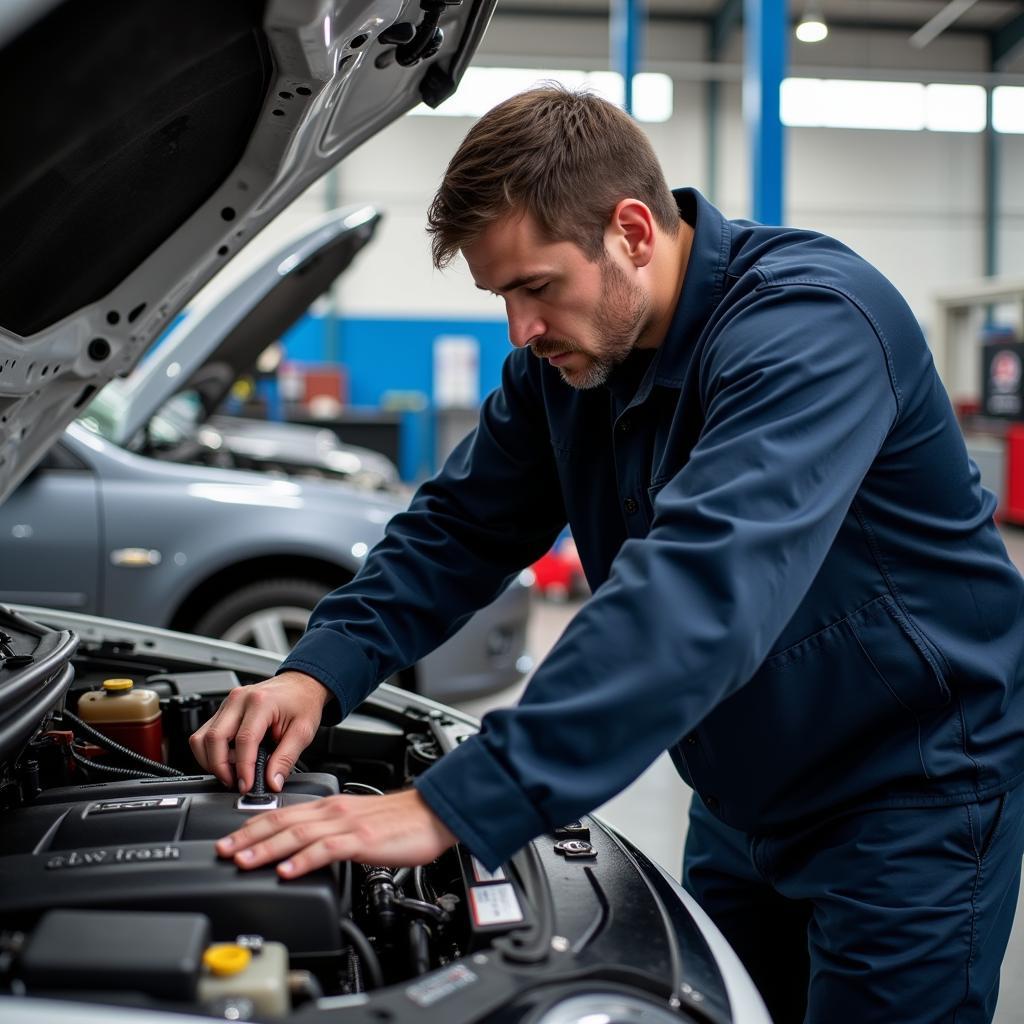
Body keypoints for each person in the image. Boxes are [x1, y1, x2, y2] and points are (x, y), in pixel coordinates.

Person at [190, 87, 1024, 1021]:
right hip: (742, 793)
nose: (519, 329)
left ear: (631, 229)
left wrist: (456, 805)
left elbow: (700, 591)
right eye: (501, 295)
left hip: (909, 798)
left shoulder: (812, 327)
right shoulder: (571, 367)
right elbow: (458, 529)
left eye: (537, 286)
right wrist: (318, 672)